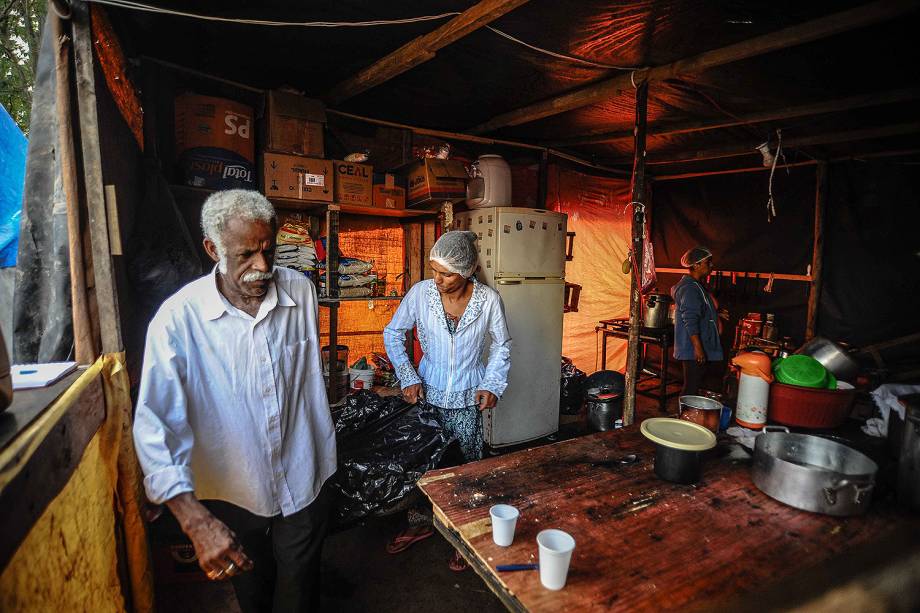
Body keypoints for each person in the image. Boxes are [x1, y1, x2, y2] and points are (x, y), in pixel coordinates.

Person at [133, 190, 336, 613]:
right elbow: (154, 427)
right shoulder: (177, 320)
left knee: (299, 589)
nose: (262, 267)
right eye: (245, 254)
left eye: (269, 250)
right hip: (233, 489)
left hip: (305, 473)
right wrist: (194, 519)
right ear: (213, 249)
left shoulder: (300, 291)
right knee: (251, 588)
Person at [383, 230, 511, 570]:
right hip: (427, 395)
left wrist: (493, 383)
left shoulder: (488, 301)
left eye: (446, 273)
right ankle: (420, 522)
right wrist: (408, 376)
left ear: (467, 271)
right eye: (434, 270)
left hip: (469, 398)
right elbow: (393, 332)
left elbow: (501, 345)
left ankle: (464, 535)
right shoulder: (421, 294)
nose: (437, 279)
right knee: (424, 467)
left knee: (466, 468)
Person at [671, 245, 723, 396]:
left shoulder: (697, 286)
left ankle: (688, 415)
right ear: (696, 265)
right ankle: (683, 417)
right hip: (692, 348)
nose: (711, 265)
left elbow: (702, 309)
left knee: (694, 385)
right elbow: (690, 319)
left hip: (698, 346)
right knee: (691, 387)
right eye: (708, 262)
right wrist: (698, 348)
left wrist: (714, 314)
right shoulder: (689, 288)